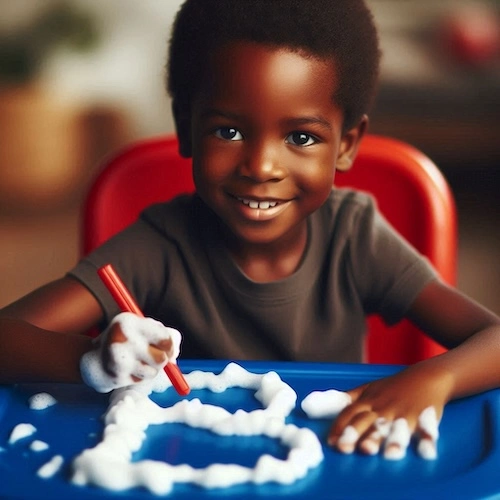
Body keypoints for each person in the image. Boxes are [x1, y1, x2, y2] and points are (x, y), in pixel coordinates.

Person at [1, 0, 499, 460]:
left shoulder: (355, 236)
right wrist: (94, 361)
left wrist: (434, 379)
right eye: (229, 131)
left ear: (346, 145)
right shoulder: (157, 247)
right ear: (186, 127)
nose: (261, 165)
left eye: (301, 137)